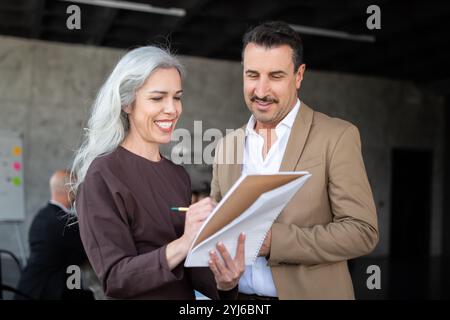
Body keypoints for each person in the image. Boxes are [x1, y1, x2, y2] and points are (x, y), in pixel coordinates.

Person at [210, 21, 379, 300]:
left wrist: (274, 241)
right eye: (252, 75)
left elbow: (363, 231)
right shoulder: (226, 145)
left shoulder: (337, 136)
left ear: (299, 75)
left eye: (275, 76)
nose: (261, 91)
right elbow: (219, 229)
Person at [71, 46, 244, 300]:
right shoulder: (102, 175)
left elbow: (189, 272)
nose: (172, 109)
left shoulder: (178, 175)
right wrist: (184, 243)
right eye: (157, 98)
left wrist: (225, 281)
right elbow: (116, 278)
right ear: (127, 103)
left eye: (177, 97)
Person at [15, 170, 93, 300]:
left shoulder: (41, 215)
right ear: (70, 190)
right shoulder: (67, 224)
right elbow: (86, 257)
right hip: (54, 291)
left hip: (28, 288)